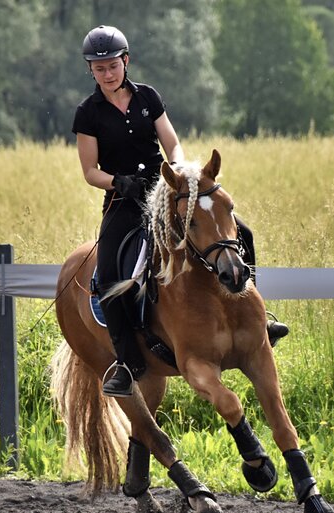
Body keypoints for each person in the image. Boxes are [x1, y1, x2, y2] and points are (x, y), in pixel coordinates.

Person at [72, 25, 288, 398]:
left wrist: (180, 173)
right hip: (124, 201)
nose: (107, 74)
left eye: (112, 66)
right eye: (99, 68)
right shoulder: (87, 113)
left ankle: (256, 320)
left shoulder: (148, 98)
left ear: (125, 61)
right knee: (108, 274)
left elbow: (171, 144)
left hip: (166, 193)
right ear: (91, 70)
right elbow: (90, 171)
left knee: (244, 234)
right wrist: (118, 182)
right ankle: (126, 362)